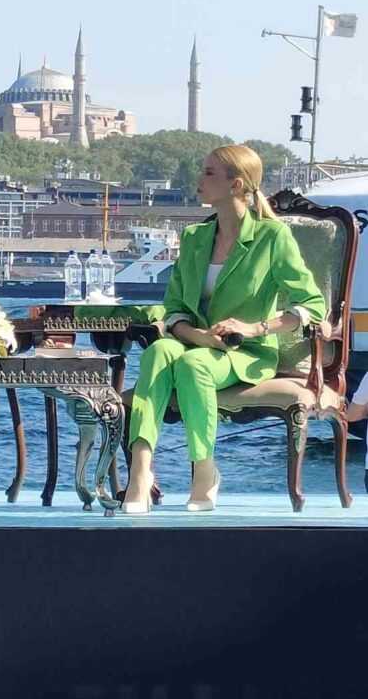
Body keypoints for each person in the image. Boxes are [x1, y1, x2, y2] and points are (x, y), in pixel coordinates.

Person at [123, 144, 326, 513]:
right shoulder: (193, 238)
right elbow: (174, 309)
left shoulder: (272, 237)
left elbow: (312, 305)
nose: (199, 179)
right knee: (158, 351)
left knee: (193, 364)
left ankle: (204, 470)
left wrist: (254, 328)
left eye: (209, 173)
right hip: (194, 342)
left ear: (236, 184)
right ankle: (140, 471)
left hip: (246, 353)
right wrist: (199, 336)